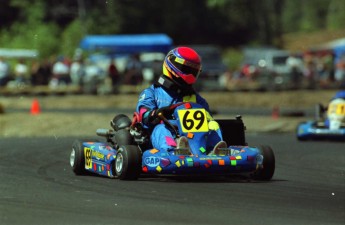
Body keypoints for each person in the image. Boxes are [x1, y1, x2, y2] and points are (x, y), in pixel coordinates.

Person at [134, 47, 226, 154]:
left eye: (193, 71)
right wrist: (157, 113)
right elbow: (143, 116)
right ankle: (173, 151)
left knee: (213, 125)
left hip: (194, 140)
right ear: (172, 65)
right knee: (161, 128)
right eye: (186, 69)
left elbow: (207, 120)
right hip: (159, 138)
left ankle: (213, 151)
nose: (190, 74)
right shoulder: (152, 93)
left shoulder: (197, 99)